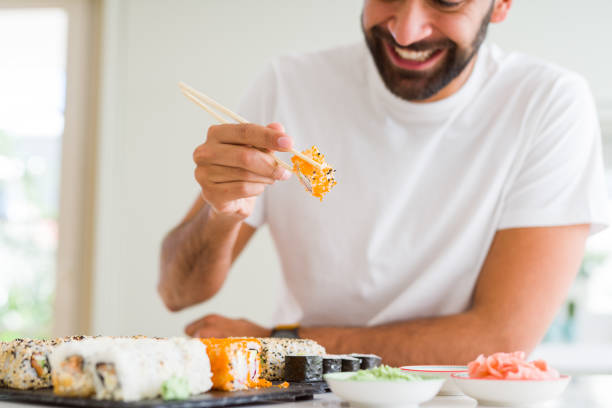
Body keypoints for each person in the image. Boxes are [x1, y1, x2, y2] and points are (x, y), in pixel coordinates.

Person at [158, 0, 609, 366]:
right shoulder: (289, 85)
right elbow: (178, 293)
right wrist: (222, 214)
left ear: (501, 5)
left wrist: (280, 346)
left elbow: (500, 337)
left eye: (446, 2)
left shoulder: (548, 104)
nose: (407, 30)